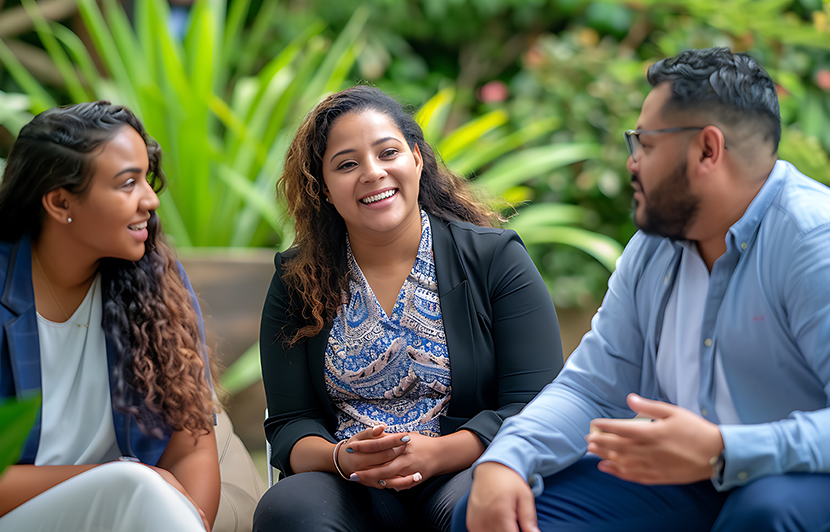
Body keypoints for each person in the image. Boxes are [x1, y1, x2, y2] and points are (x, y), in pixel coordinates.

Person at [454, 47, 830, 532]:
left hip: (800, 476)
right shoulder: (654, 248)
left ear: (707, 149)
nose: (632, 163)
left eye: (645, 144)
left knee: (765, 510)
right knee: (488, 506)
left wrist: (725, 449)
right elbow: (591, 389)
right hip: (694, 480)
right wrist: (507, 459)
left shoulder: (812, 240)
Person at [254, 85, 564, 532]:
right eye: (347, 164)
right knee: (287, 510)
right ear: (324, 189)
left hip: (464, 469)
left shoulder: (495, 259)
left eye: (388, 153)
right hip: (346, 483)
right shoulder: (296, 281)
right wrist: (342, 457)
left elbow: (535, 404)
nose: (372, 172)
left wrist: (439, 453)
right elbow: (289, 423)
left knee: (485, 506)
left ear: (416, 159)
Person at [0, 101, 220, 532]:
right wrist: (121, 478)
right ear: (60, 201)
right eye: (127, 183)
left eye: (147, 179)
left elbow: (192, 447)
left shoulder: (155, 284)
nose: (151, 199)